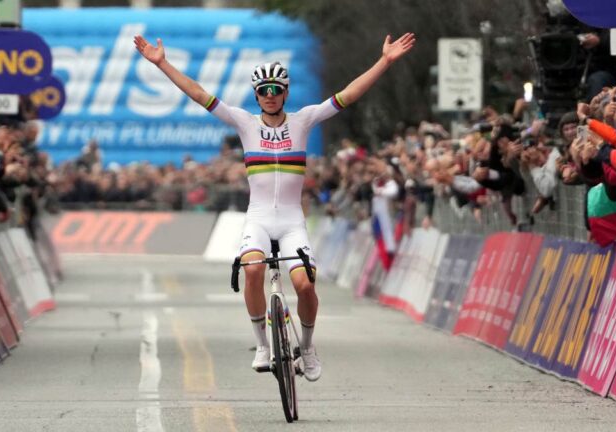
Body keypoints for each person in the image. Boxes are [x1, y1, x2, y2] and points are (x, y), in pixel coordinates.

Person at [134, 32, 415, 381]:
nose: (269, 96)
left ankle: (308, 347)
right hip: (259, 220)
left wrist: (384, 61)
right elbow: (198, 93)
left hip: (292, 222)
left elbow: (349, 94)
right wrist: (163, 65)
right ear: (256, 95)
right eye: (263, 91)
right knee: (252, 271)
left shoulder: (304, 120)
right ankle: (263, 345)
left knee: (306, 287)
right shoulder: (244, 123)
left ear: (285, 93)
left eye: (276, 90)